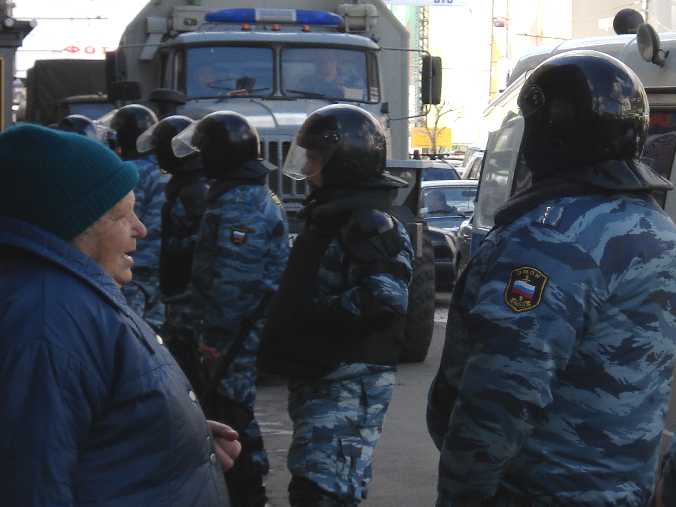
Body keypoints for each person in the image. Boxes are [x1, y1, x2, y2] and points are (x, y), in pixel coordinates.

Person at [426, 50, 676, 506]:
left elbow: (501, 394)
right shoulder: (659, 230)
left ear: (548, 131)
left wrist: (460, 495)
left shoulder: (552, 240)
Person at [0, 124, 240, 506]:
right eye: (120, 216)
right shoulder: (46, 323)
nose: (141, 230)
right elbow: (31, 484)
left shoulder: (70, 300)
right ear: (71, 224)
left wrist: (174, 435)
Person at [259, 104, 414, 506]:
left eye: (314, 158)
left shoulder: (370, 223)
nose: (307, 167)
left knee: (325, 489)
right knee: (312, 481)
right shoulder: (331, 214)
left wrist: (311, 318)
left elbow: (385, 298)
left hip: (347, 378)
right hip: (322, 372)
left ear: (344, 161)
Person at [172, 110, 290, 507]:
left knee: (232, 410)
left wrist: (214, 341)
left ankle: (247, 489)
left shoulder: (241, 204)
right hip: (233, 329)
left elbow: (234, 282)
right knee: (226, 407)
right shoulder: (237, 194)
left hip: (235, 333)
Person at [136, 115, 209, 388]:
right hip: (179, 292)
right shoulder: (187, 183)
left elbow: (196, 247)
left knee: (192, 370)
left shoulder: (193, 190)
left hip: (187, 296)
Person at [110, 104, 168, 332]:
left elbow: (122, 220)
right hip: (163, 268)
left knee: (131, 330)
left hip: (135, 268)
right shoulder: (166, 168)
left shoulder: (131, 171)